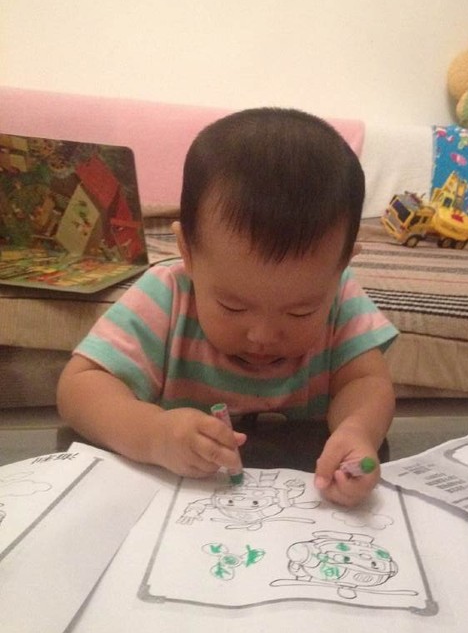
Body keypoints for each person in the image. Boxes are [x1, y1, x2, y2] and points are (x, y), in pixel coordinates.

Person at [57, 108, 398, 506]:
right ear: (187, 252)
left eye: (300, 312)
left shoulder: (341, 298)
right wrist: (153, 433)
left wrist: (358, 431)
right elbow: (80, 387)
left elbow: (366, 383)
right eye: (233, 307)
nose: (262, 335)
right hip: (178, 505)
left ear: (341, 266)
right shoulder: (167, 296)